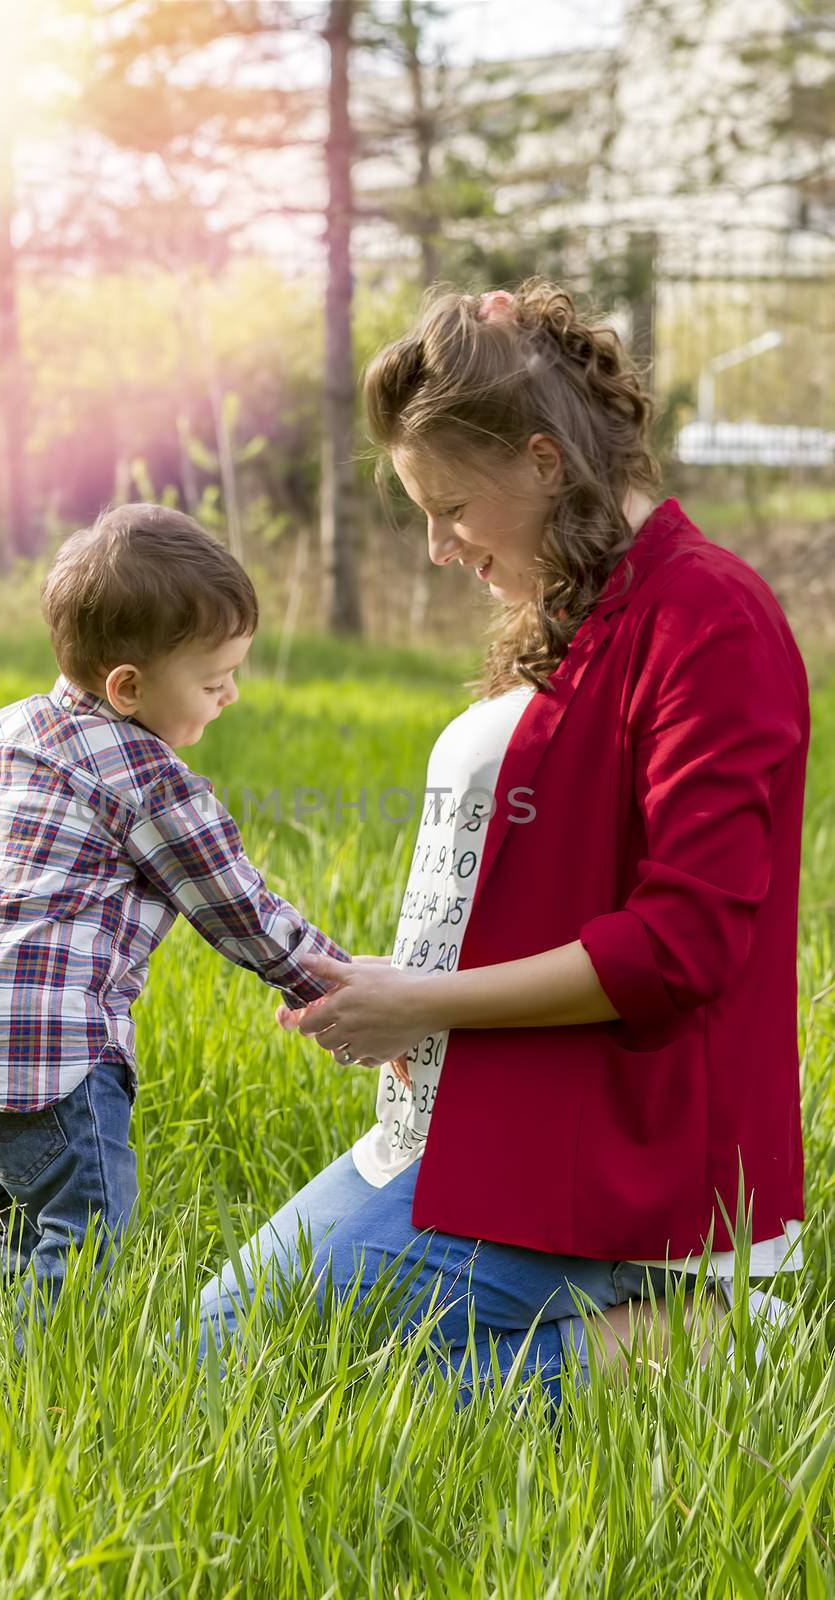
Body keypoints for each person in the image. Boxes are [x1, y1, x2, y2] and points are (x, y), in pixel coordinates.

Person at [191, 280, 808, 1409]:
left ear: (540, 461)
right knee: (236, 1338)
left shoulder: (706, 619)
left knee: (281, 1368)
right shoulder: (580, 616)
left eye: (449, 508)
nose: (435, 547)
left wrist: (425, 1002)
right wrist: (406, 1015)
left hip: (616, 1142)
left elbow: (680, 946)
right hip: (485, 1104)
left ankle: (714, 1345)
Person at [0, 503, 357, 1350]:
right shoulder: (152, 777)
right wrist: (338, 986)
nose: (231, 695)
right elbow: (239, 909)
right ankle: (50, 1391)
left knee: (26, 1230)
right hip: (57, 1055)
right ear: (128, 686)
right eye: (214, 683)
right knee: (85, 1226)